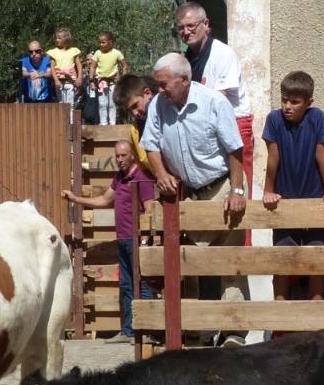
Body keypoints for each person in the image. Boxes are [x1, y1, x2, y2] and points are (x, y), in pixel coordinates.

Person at [140, 52, 249, 304]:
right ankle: (195, 329)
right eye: (158, 83)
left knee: (229, 258)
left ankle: (234, 331)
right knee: (188, 259)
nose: (160, 89)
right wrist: (161, 174)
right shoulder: (158, 104)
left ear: (185, 79)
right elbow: (151, 144)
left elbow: (235, 149)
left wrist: (237, 191)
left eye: (164, 83)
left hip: (221, 185)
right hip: (189, 192)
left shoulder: (214, 103)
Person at [63, 138, 156, 340]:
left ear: (132, 156)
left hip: (137, 240)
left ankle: (149, 333)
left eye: (123, 155)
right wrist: (76, 199)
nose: (120, 159)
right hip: (123, 239)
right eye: (117, 156)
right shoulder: (119, 178)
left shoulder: (142, 178)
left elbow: (150, 209)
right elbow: (105, 199)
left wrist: (146, 238)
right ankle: (129, 332)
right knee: (126, 285)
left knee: (144, 285)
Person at [261, 70, 324, 301]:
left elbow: (321, 154)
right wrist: (268, 190)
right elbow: (272, 157)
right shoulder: (274, 120)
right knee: (283, 260)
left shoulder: (317, 118)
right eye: (284, 100)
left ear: (308, 103)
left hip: (314, 199)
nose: (287, 106)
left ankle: (317, 311)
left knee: (315, 258)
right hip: (284, 200)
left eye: (294, 102)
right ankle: (280, 313)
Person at [176, 2, 255, 189]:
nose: (186, 32)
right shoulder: (187, 58)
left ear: (206, 25)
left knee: (239, 182)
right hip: (207, 124)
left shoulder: (223, 54)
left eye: (191, 26)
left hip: (234, 122)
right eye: (180, 28)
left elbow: (221, 97)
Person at [114, 72, 157, 176]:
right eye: (129, 110)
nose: (134, 113)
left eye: (135, 106)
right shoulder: (135, 131)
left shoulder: (169, 115)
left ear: (147, 93)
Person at [86, 31, 127, 124]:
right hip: (101, 82)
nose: (101, 44)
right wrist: (91, 80)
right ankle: (103, 123)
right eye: (100, 42)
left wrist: (123, 78)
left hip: (113, 82)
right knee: (102, 103)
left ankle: (112, 123)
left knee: (112, 104)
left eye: (103, 42)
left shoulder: (117, 53)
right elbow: (92, 67)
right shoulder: (98, 53)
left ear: (110, 42)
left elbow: (124, 65)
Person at [47, 28, 83, 107]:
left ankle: (70, 119)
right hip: (60, 82)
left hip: (70, 82)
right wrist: (56, 80)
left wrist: (79, 78)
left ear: (66, 39)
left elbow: (79, 65)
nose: (57, 40)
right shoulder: (54, 52)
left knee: (70, 104)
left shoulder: (74, 51)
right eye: (56, 38)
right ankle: (62, 119)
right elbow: (52, 67)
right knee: (61, 104)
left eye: (59, 38)